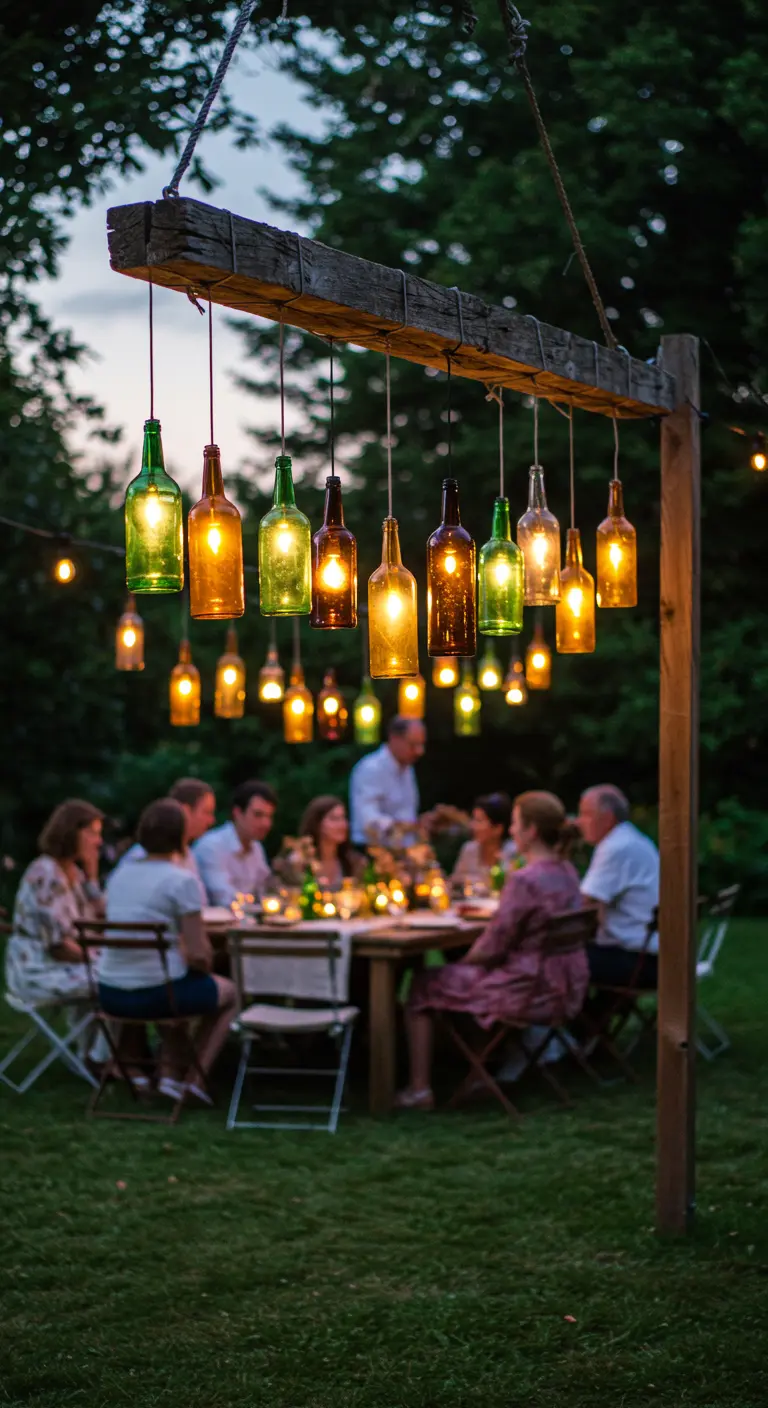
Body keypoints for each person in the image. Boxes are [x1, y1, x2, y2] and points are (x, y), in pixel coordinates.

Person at [396, 791, 587, 1109]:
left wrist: (468, 961)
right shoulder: (567, 871)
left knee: (422, 985)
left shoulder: (525, 880)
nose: (511, 831)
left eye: (515, 824)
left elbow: (493, 946)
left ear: (531, 831)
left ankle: (419, 1090)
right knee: (461, 979)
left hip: (524, 990)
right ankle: (477, 1076)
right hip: (565, 986)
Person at [99, 799, 236, 1102]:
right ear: (181, 837)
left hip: (109, 992)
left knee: (179, 980)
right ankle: (192, 1080)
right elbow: (200, 955)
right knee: (228, 992)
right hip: (157, 995)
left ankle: (170, 1075)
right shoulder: (181, 881)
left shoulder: (120, 876)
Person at [4, 799, 104, 1006]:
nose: (99, 842)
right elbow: (57, 946)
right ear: (72, 832)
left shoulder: (75, 874)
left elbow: (96, 927)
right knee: (120, 982)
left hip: (66, 965)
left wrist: (92, 878)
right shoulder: (46, 873)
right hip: (38, 970)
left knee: (125, 978)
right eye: (93, 833)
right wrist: (98, 960)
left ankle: (104, 1039)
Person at [578, 785, 660, 987]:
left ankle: (557, 1017)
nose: (579, 822)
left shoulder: (616, 847)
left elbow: (583, 904)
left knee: (553, 960)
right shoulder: (630, 839)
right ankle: (588, 1017)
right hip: (648, 951)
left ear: (607, 817)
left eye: (586, 814)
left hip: (638, 958)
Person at [112, 778, 216, 905]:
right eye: (207, 812)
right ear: (185, 811)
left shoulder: (188, 855)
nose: (211, 820)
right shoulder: (142, 857)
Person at [194, 780, 276, 907]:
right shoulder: (211, 846)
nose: (266, 824)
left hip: (244, 923)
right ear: (237, 813)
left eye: (269, 816)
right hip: (218, 925)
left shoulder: (256, 848)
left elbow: (266, 890)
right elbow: (224, 898)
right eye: (258, 815)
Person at [349, 716, 426, 846]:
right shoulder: (371, 769)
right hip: (373, 851)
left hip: (404, 851)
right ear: (394, 738)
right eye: (413, 745)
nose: (420, 751)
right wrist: (406, 826)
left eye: (421, 744)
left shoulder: (407, 769)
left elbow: (406, 813)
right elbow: (367, 819)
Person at [451, 792, 517, 888]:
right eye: (473, 819)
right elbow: (455, 882)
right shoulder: (469, 849)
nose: (473, 826)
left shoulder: (512, 852)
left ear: (498, 828)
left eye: (479, 821)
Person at [298, 796, 365, 889]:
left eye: (343, 818)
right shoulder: (300, 862)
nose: (342, 824)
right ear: (317, 824)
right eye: (334, 819)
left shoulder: (355, 862)